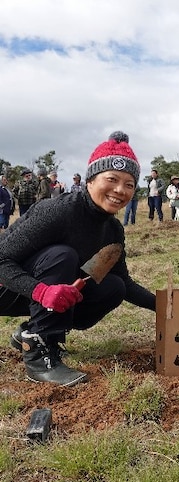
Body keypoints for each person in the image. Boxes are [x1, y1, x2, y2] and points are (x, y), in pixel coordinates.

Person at [0, 131, 155, 386]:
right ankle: (39, 355)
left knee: (113, 287)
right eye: (112, 179)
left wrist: (165, 305)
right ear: (90, 180)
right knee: (63, 256)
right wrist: (42, 293)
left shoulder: (112, 230)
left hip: (37, 291)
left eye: (129, 184)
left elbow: (124, 282)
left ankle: (31, 332)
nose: (120, 190)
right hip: (7, 288)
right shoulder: (59, 211)